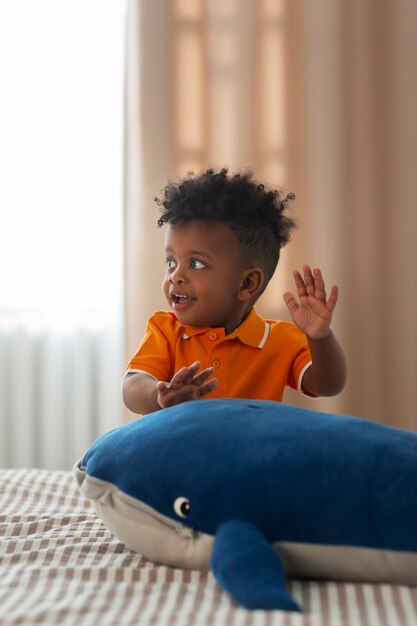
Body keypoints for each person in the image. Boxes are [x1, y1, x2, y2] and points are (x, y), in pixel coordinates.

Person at [123, 168, 346, 415]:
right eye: (170, 262)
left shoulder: (281, 340)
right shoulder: (165, 331)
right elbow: (132, 386)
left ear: (247, 284)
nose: (175, 276)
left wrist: (320, 338)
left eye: (196, 264)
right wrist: (160, 394)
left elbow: (328, 385)